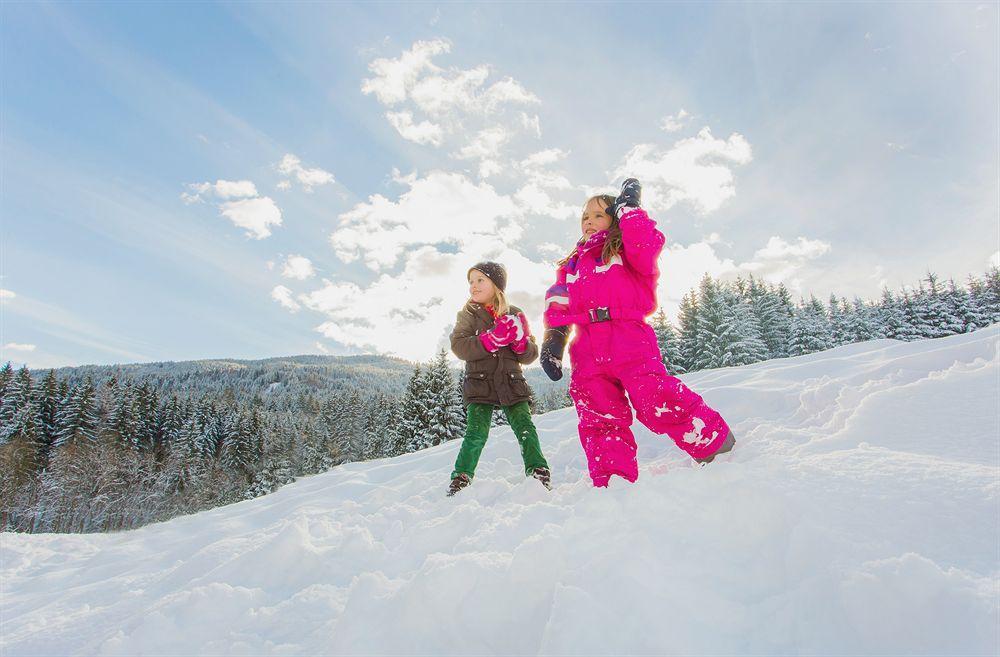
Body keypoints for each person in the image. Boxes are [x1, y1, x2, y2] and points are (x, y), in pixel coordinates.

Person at [540, 179, 735, 488]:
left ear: (615, 218)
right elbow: (559, 303)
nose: (589, 220)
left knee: (656, 397)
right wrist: (555, 339)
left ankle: (713, 444)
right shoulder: (571, 266)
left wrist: (630, 210)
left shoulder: (626, 251)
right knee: (598, 416)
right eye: (584, 216)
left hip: (628, 338)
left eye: (599, 214)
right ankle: (613, 483)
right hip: (587, 348)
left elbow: (646, 242)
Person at [447, 261, 552, 496]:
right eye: (471, 282)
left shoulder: (514, 314)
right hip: (479, 382)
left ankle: (538, 469)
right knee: (476, 432)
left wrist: (520, 343)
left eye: (480, 280)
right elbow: (459, 346)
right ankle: (461, 476)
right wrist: (490, 339)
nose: (473, 286)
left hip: (511, 382)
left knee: (525, 427)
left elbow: (530, 354)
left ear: (496, 285)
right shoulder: (468, 314)